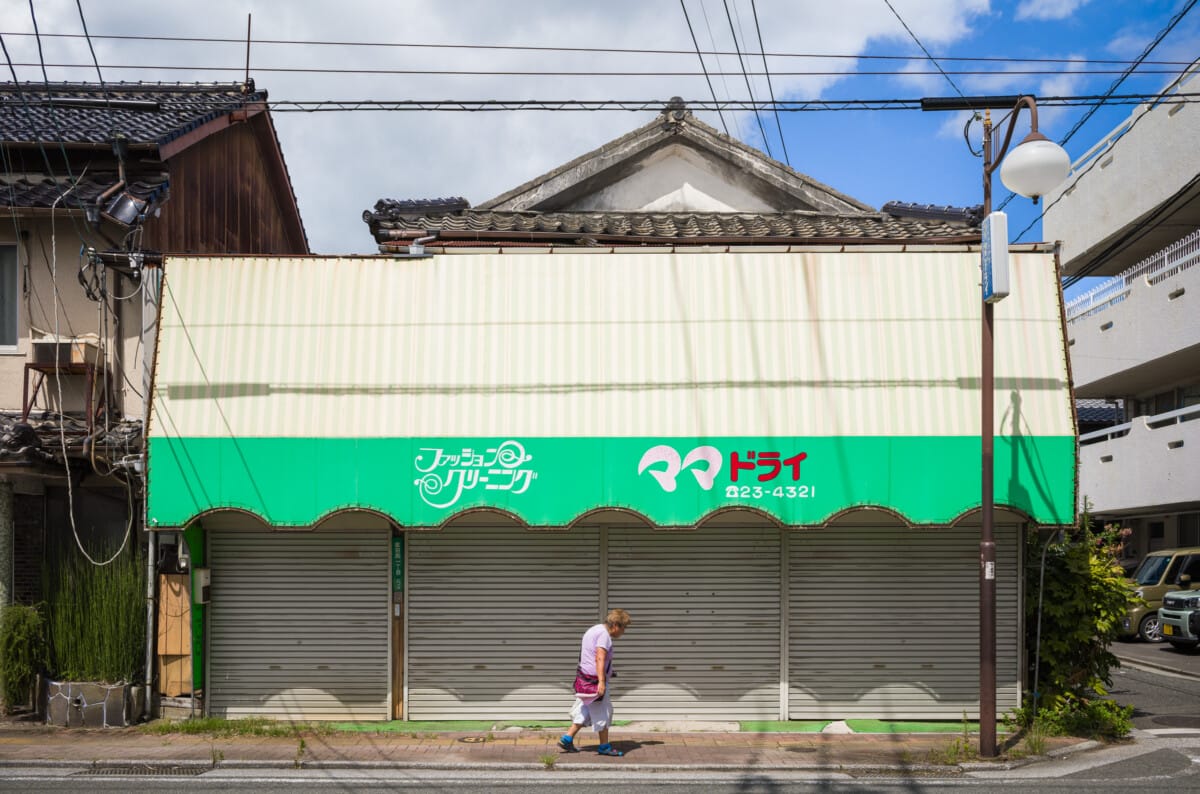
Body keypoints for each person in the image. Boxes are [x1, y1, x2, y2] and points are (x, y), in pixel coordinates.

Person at [559, 608, 631, 757]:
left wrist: (609, 671)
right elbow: (599, 657)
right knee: (604, 712)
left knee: (585, 710)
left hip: (585, 679)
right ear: (616, 625)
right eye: (624, 628)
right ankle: (604, 747)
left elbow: (589, 655)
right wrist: (602, 681)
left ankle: (567, 738)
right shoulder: (604, 635)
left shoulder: (594, 630)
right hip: (594, 681)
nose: (623, 632)